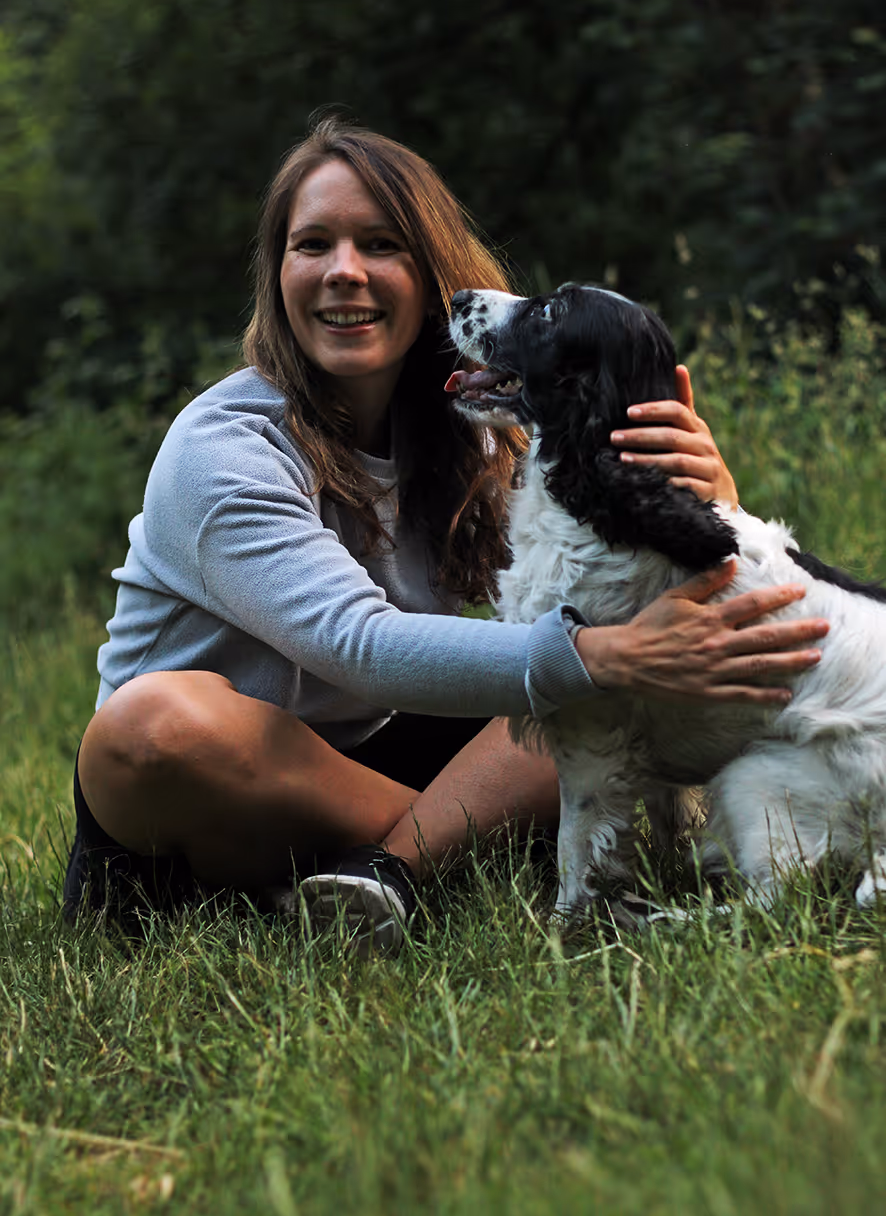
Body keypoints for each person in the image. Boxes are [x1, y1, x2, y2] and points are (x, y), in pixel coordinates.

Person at [64, 118, 828, 953]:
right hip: (207, 789)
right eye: (312, 244)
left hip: (379, 743)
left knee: (589, 658)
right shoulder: (223, 448)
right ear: (278, 271)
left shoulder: (472, 420)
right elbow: (355, 642)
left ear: (431, 275)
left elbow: (608, 585)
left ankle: (379, 872)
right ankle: (451, 848)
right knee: (156, 723)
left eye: (380, 243)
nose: (343, 272)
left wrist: (707, 495)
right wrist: (597, 660)